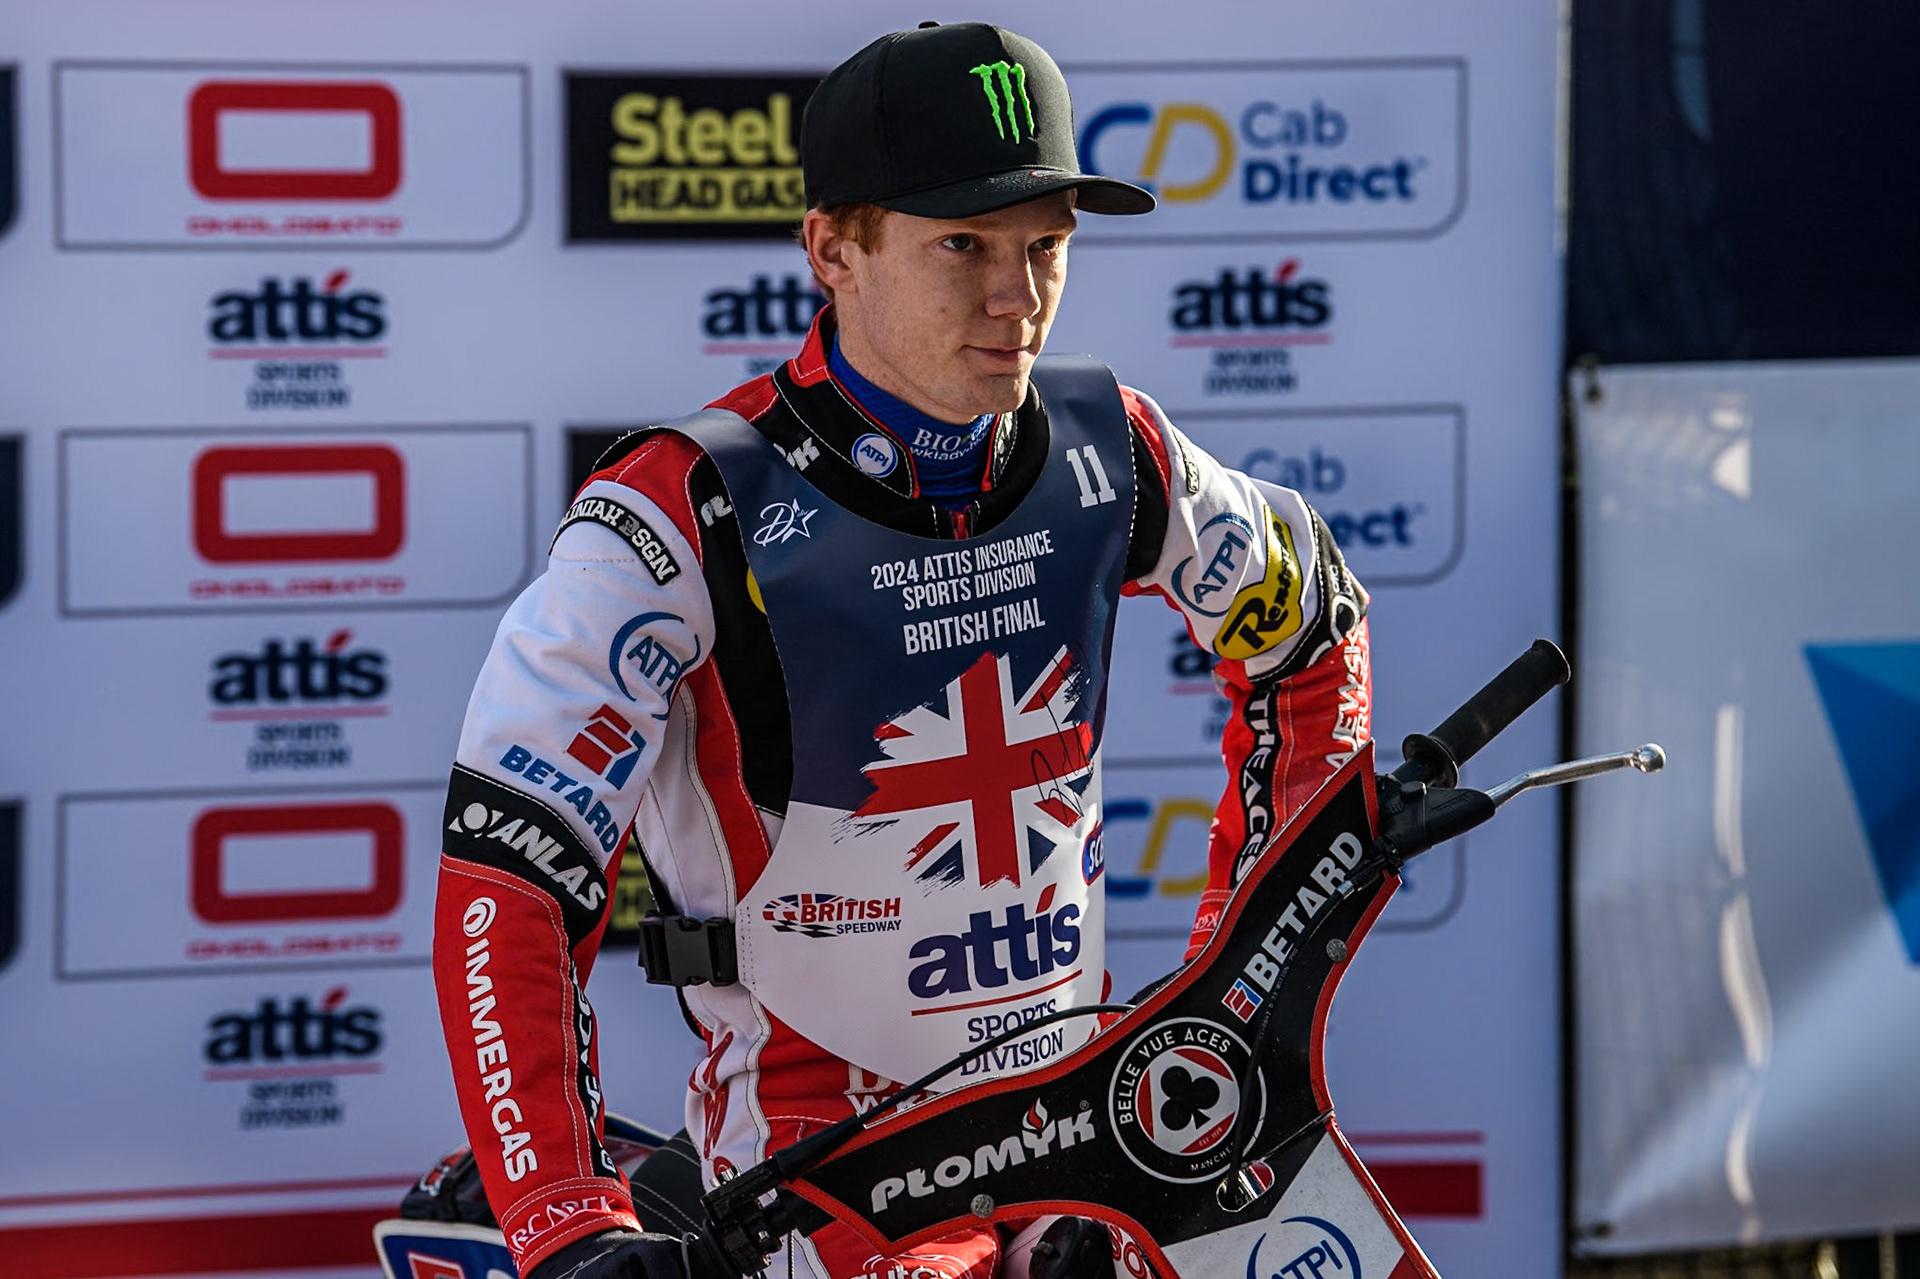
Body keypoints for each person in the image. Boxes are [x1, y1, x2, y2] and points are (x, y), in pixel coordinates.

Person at [432, 20, 1372, 1279]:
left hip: (1087, 1125)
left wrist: (1238, 981)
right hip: (821, 1162)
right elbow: (510, 876)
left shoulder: (1114, 449)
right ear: (834, 248)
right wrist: (561, 1217)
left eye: (1047, 246)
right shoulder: (675, 512)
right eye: (962, 246)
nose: (1016, 294)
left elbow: (1316, 627)